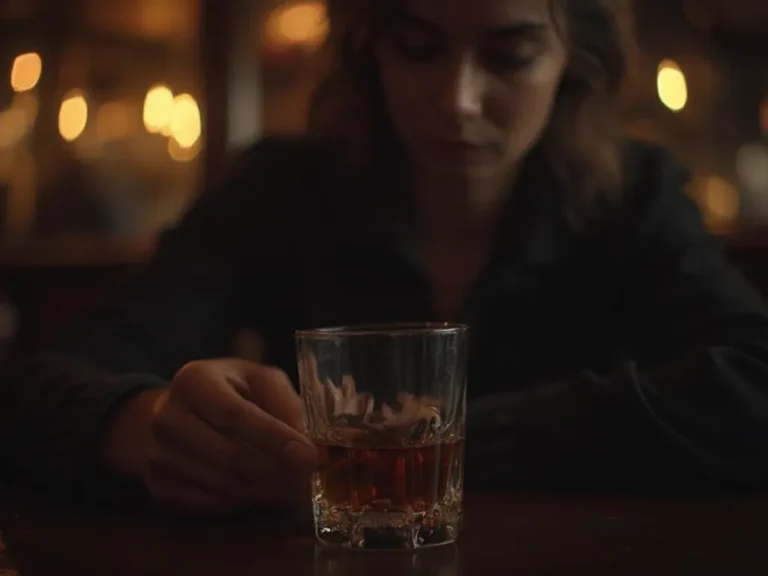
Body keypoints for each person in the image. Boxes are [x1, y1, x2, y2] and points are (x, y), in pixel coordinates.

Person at [3, 0, 768, 513]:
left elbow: (754, 380)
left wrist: (440, 445)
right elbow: (39, 385)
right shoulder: (282, 188)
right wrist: (141, 426)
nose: (458, 100)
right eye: (419, 49)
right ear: (371, 53)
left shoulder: (632, 197)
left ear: (574, 66)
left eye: (511, 57)